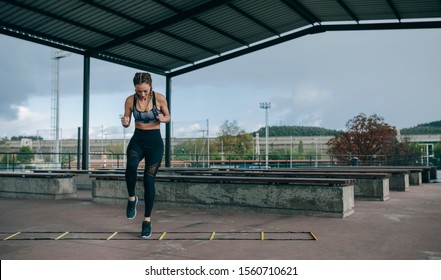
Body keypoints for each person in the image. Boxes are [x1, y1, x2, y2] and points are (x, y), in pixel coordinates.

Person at [120, 72, 170, 239]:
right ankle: (132, 198)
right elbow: (127, 120)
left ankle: (147, 220)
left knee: (149, 180)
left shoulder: (160, 98)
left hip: (155, 143)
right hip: (138, 139)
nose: (142, 94)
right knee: (131, 166)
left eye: (145, 91)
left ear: (151, 87)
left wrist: (164, 119)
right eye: (139, 91)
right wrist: (125, 123)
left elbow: (168, 117)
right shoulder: (129, 100)